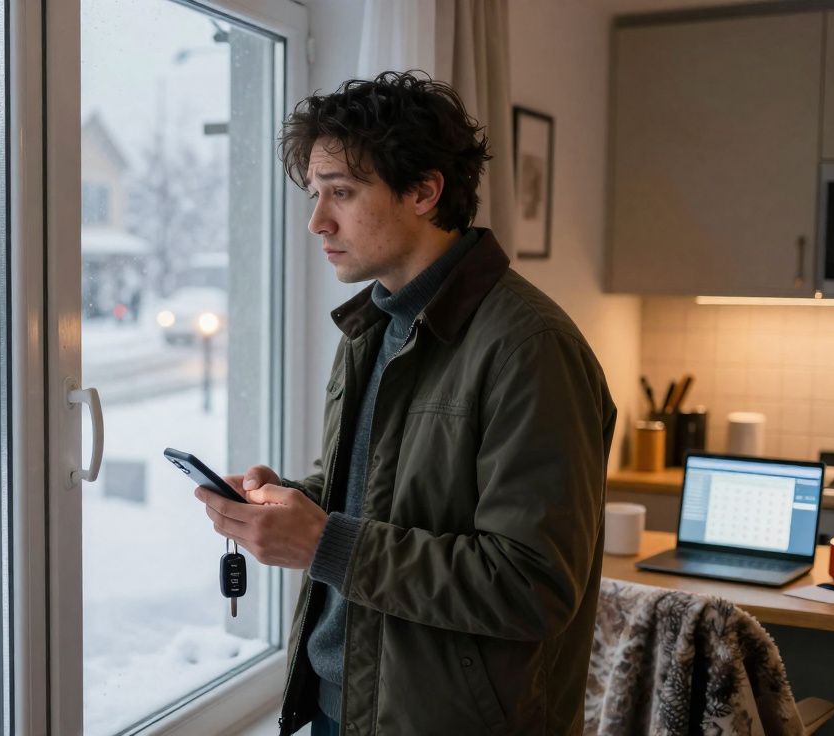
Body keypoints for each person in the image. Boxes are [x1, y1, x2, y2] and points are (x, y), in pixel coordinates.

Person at [192, 71, 617, 735]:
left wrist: (324, 542)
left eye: (341, 192)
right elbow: (379, 498)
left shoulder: (531, 348)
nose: (317, 221)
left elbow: (531, 586)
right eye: (314, 193)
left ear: (424, 191)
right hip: (342, 707)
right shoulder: (373, 326)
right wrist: (294, 502)